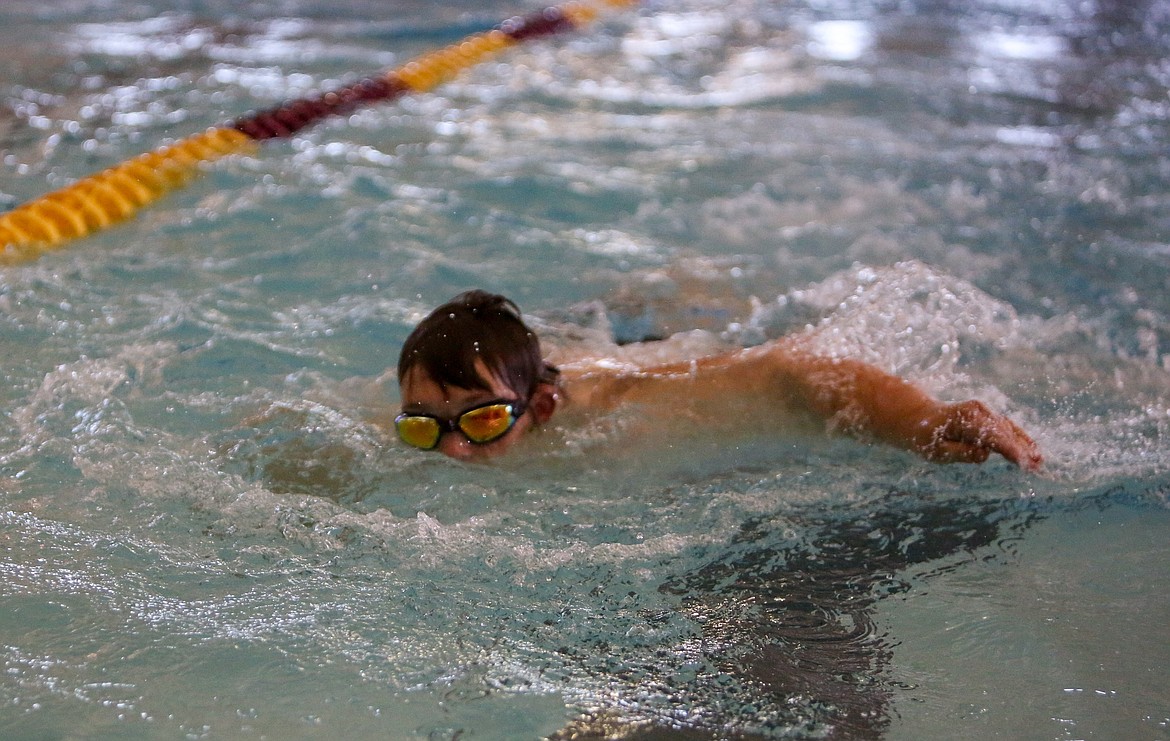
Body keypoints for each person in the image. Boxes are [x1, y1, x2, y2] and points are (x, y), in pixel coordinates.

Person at [395, 289, 1043, 469]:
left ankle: (685, 288)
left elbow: (785, 375)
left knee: (699, 318)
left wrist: (925, 420)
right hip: (552, 350)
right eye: (427, 429)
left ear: (541, 406)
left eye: (482, 422)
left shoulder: (617, 405)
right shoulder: (437, 417)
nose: (454, 449)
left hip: (637, 356)